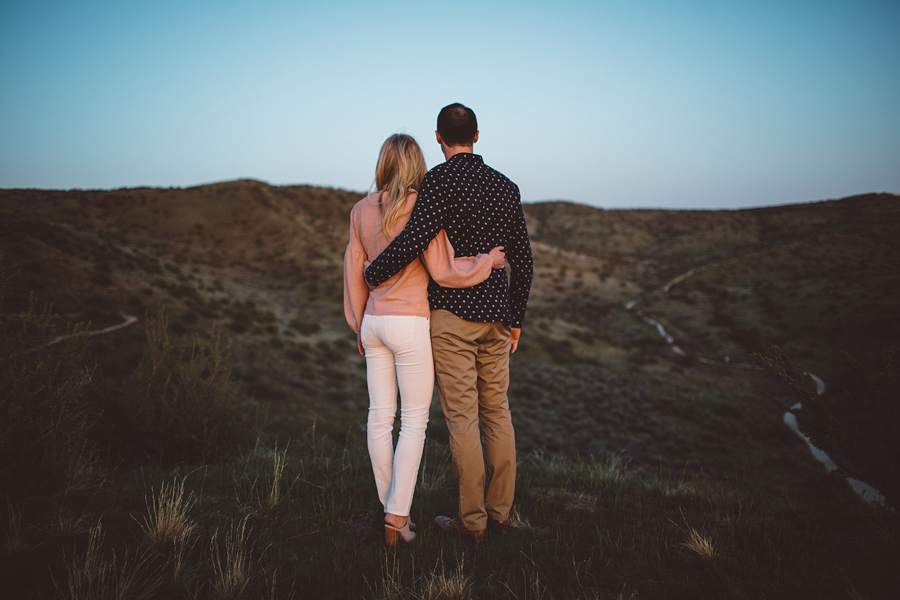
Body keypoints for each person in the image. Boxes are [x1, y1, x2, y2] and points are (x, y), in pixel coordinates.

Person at [365, 104, 533, 540]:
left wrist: (372, 273)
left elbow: (414, 241)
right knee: (498, 412)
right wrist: (516, 318)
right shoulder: (505, 186)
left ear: (438, 138)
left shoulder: (437, 182)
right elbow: (525, 262)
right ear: (477, 135)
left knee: (462, 419)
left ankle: (471, 522)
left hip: (451, 316)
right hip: (497, 316)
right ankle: (500, 513)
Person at [343, 133, 506, 546]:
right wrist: (488, 262)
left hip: (374, 322)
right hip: (410, 323)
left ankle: (392, 512)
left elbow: (353, 271)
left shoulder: (360, 210)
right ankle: (397, 516)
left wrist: (358, 323)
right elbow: (445, 269)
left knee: (379, 416)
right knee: (414, 421)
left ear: (383, 164)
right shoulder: (420, 206)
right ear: (417, 164)